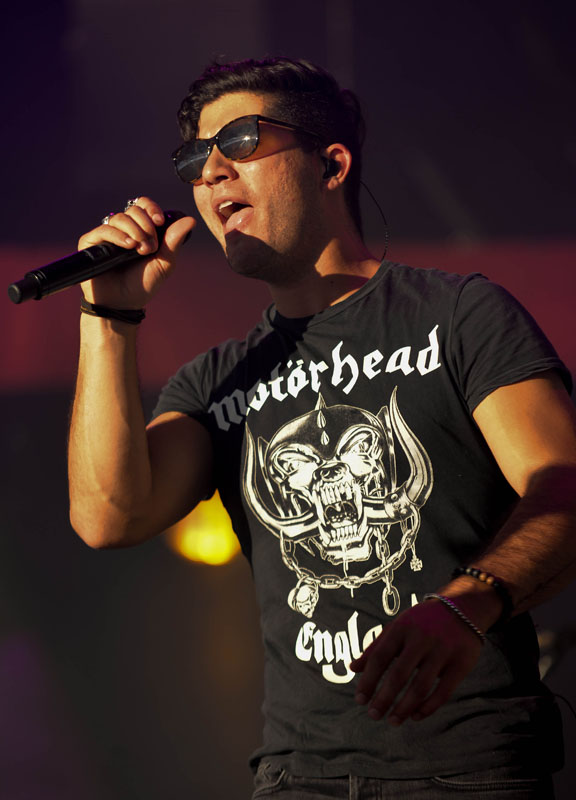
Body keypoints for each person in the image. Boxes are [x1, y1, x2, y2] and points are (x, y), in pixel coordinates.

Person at [68, 57, 576, 799]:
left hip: (470, 772)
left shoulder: (459, 316)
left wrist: (466, 602)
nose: (211, 172)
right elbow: (108, 516)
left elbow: (563, 487)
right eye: (195, 160)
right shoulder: (217, 381)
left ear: (331, 165)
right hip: (298, 776)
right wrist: (108, 315)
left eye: (241, 142)